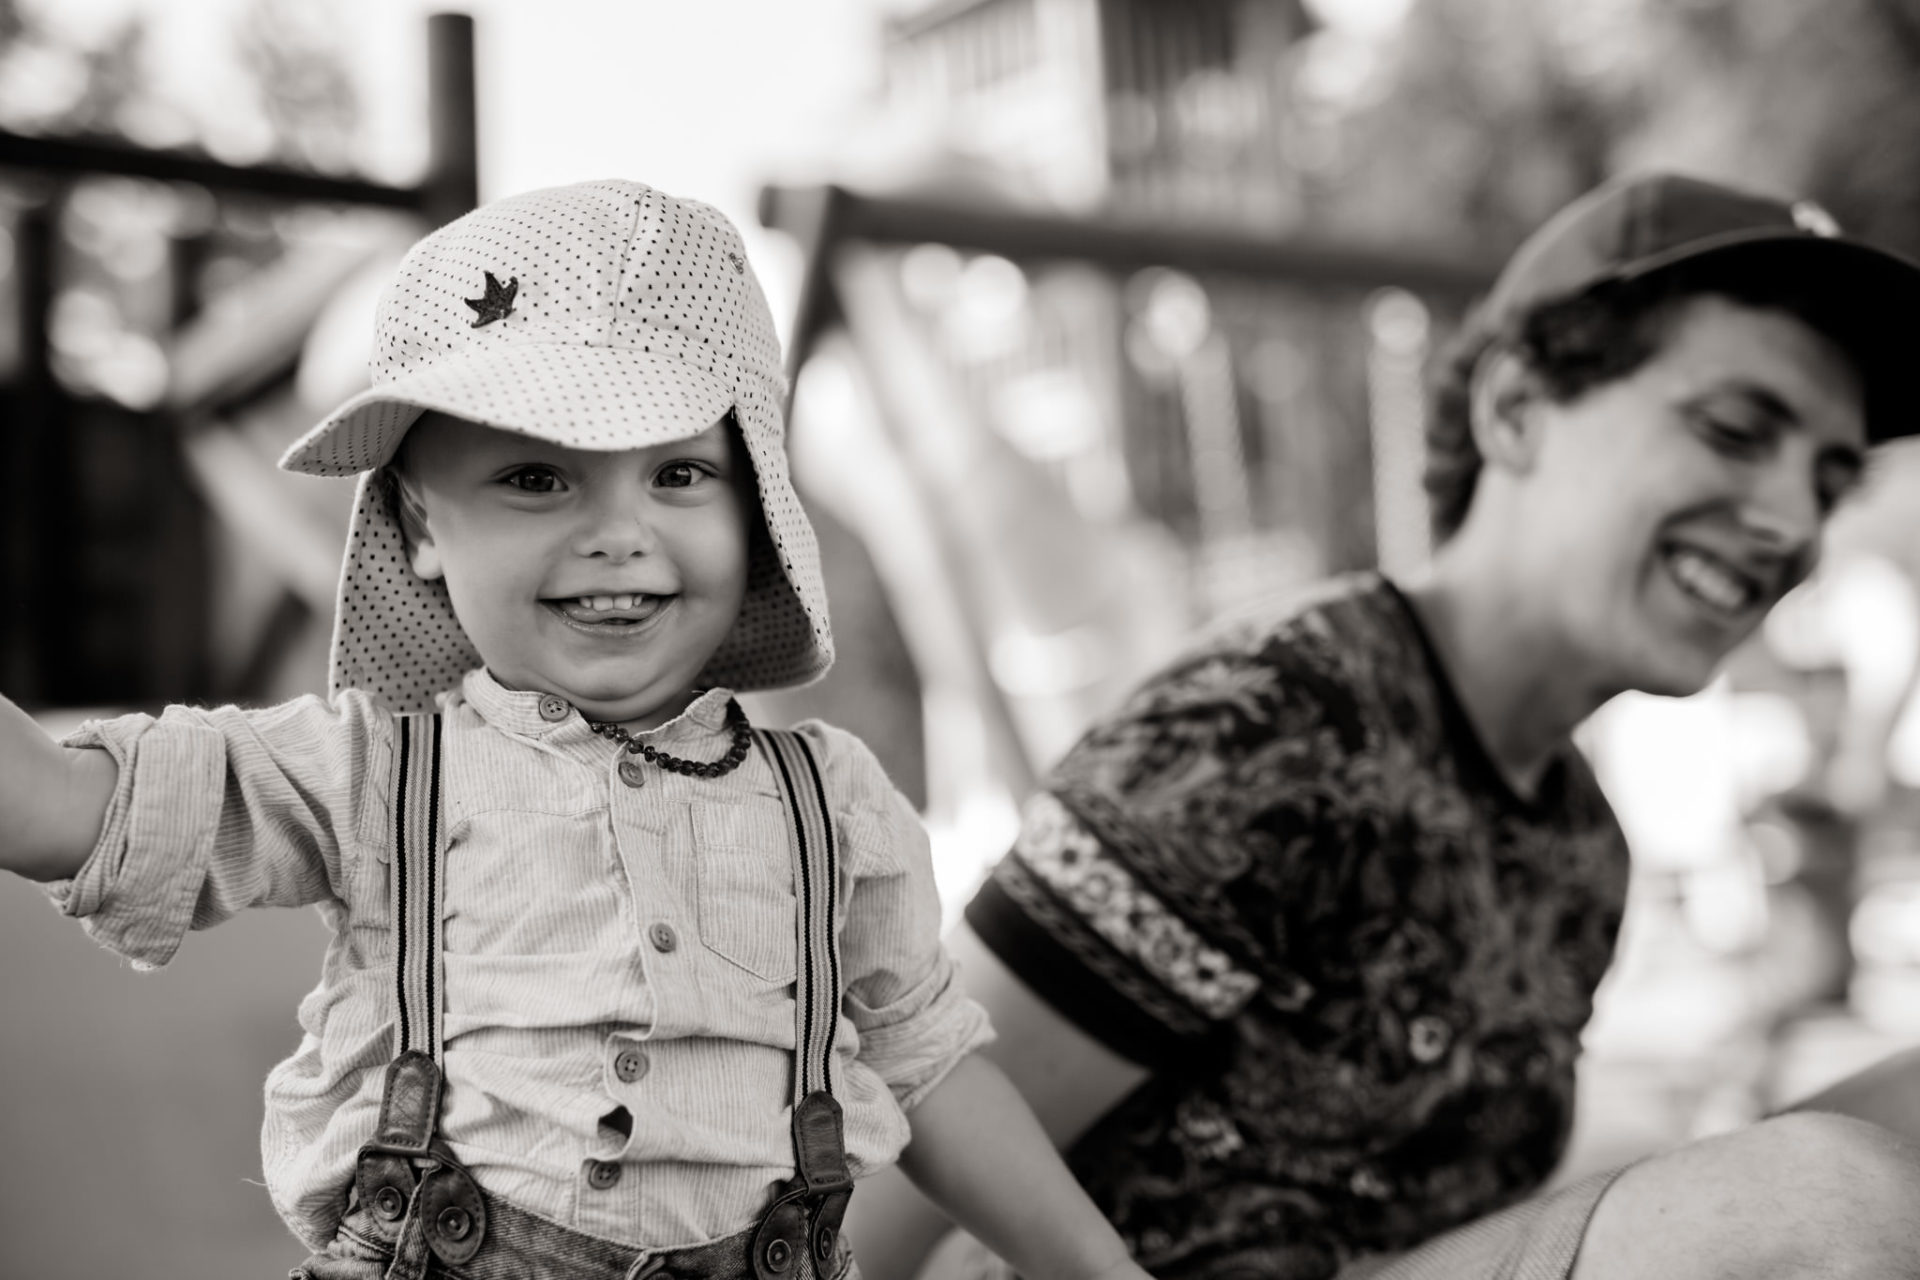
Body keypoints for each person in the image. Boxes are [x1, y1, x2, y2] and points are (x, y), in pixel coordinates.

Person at [0, 180, 1157, 1280]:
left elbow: (930, 1066)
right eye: (537, 476)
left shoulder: (832, 804)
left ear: (755, 512)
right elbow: (64, 805)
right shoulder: (372, 769)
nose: (620, 532)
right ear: (418, 524)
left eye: (679, 474)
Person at [843, 172, 1920, 1280]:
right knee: (1826, 1199)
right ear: (1515, 409)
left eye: (1832, 481)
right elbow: (862, 1183)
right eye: (1738, 429)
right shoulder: (1272, 721)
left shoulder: (1579, 838)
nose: (1793, 521)